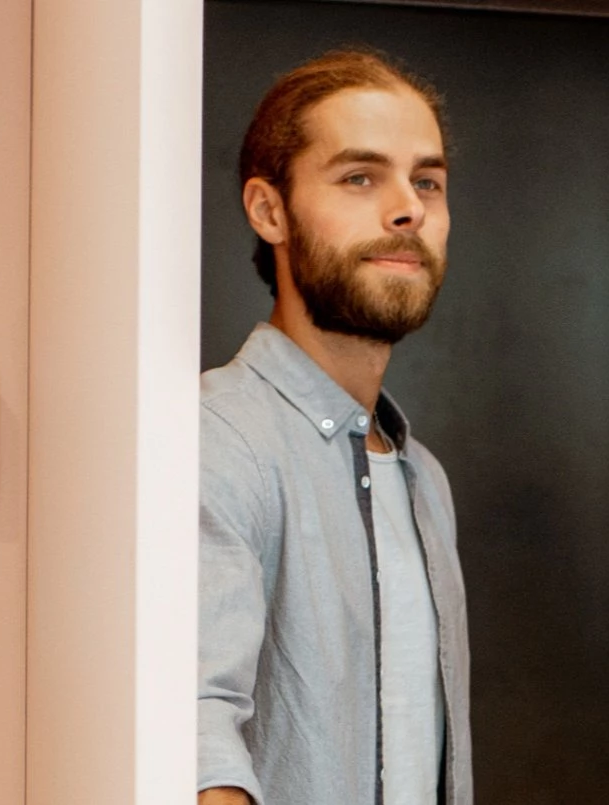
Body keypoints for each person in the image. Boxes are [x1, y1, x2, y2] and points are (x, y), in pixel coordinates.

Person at [199, 48, 469, 805]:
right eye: (360, 178)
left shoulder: (422, 479)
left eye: (426, 182)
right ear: (269, 211)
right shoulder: (212, 441)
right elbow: (194, 735)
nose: (408, 209)